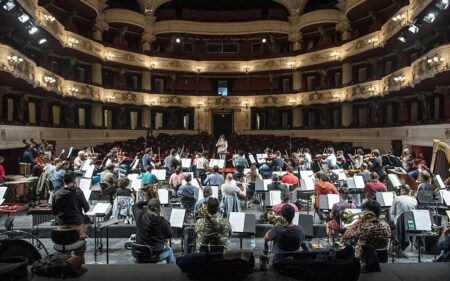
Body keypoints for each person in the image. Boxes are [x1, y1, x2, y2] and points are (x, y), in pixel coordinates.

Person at [51, 171, 89, 263]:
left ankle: (65, 265)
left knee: (65, 250)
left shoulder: (57, 193)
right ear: (74, 180)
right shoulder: (78, 191)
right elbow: (86, 208)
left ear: (63, 181)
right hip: (77, 225)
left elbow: (54, 211)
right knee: (79, 250)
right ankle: (79, 264)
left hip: (62, 226)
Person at [342, 201, 391, 266]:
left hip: (364, 260)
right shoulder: (386, 225)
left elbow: (345, 236)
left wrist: (357, 222)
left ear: (366, 212)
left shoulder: (363, 226)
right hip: (383, 259)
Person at [132, 198, 175, 263]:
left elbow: (135, 206)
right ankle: (173, 271)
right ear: (159, 209)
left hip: (139, 254)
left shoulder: (140, 215)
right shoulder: (163, 222)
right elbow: (170, 234)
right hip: (155, 256)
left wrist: (147, 201)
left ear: (148, 208)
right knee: (169, 250)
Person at [389, 184, 417, 257]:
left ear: (402, 190)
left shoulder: (397, 198)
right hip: (411, 224)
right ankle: (401, 245)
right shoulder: (414, 200)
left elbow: (392, 212)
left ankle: (395, 244)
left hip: (399, 223)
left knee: (388, 225)